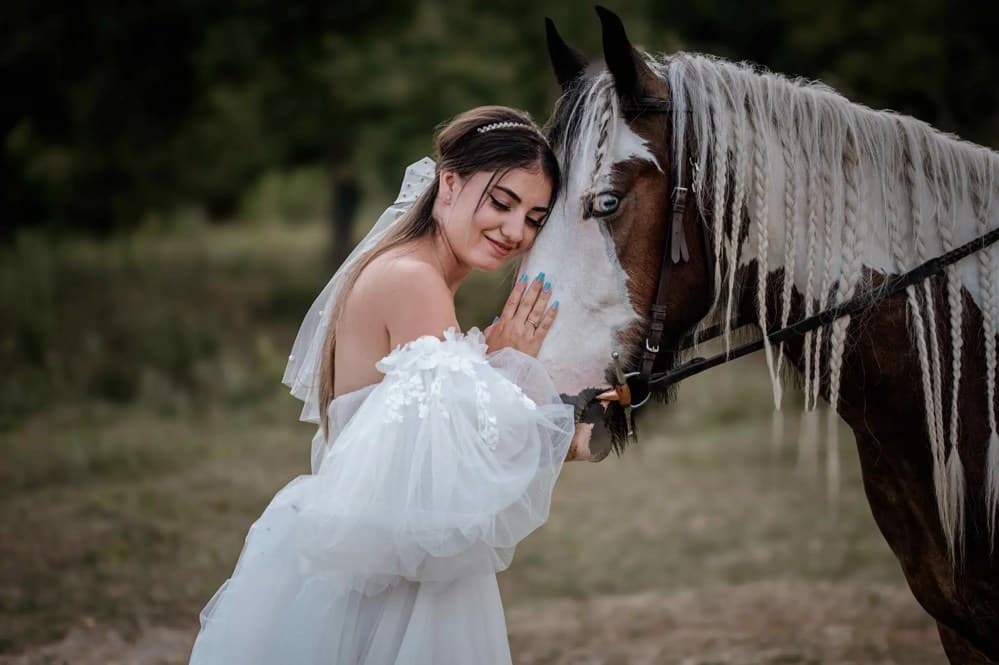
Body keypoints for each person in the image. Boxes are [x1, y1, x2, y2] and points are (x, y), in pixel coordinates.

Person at [187, 106, 592, 665]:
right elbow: (451, 471)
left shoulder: (408, 270)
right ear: (448, 184)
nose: (516, 231)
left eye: (535, 217)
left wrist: (497, 369)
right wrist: (514, 368)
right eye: (502, 203)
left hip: (386, 560)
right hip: (390, 586)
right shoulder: (412, 280)